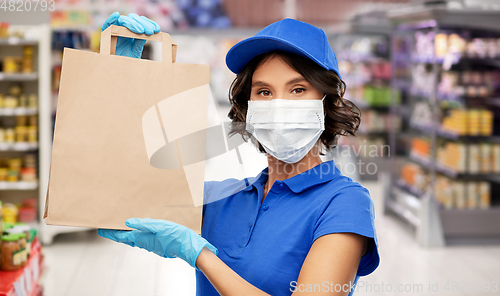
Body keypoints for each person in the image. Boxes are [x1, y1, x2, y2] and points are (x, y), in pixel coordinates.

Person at [98, 12, 380, 296]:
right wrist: (122, 79)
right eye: (264, 92)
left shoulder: (344, 203)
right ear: (249, 110)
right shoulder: (223, 198)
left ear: (326, 103)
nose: (279, 106)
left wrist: (201, 256)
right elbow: (118, 189)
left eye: (297, 89)